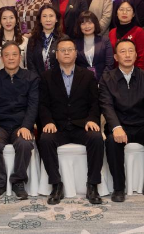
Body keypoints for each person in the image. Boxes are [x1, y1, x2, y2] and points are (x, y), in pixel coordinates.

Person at [100, 39, 144, 202]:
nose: (127, 55)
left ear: (136, 55)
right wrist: (116, 127)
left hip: (142, 125)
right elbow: (106, 105)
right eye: (122, 52)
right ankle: (118, 188)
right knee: (112, 142)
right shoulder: (107, 78)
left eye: (131, 51)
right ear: (116, 57)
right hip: (120, 126)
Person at [38, 37, 103, 205]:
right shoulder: (46, 77)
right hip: (57, 126)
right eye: (62, 50)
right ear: (56, 55)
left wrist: (92, 119)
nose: (66, 53)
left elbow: (94, 103)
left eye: (70, 50)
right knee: (45, 139)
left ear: (75, 53)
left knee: (96, 138)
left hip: (81, 125)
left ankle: (92, 185)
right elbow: (43, 104)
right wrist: (48, 121)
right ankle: (56, 185)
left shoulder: (88, 75)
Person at [0, 42, 39, 200]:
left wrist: (26, 126)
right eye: (7, 55)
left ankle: (18, 182)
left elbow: (33, 105)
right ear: (1, 58)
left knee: (24, 143)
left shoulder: (31, 78)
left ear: (20, 57)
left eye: (14, 54)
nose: (11, 58)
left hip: (21, 125)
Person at [0, 6, 28, 75]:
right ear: (0, 21)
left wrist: (19, 76)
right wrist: (1, 76)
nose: (8, 21)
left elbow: (28, 64)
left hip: (20, 79)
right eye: (4, 18)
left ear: (16, 20)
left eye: (11, 18)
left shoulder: (25, 41)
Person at [108, 0, 144, 71]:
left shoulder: (139, 32)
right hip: (115, 74)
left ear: (133, 14)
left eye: (128, 10)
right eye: (121, 9)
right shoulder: (112, 32)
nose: (124, 12)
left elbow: (143, 59)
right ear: (116, 13)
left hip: (135, 74)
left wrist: (138, 75)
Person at [26, 4, 67, 77]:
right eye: (44, 16)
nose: (48, 20)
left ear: (56, 19)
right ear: (40, 20)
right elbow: (30, 63)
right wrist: (37, 80)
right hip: (38, 81)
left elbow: (67, 62)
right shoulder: (33, 39)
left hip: (60, 80)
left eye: (51, 16)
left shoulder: (64, 39)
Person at [74, 11, 113, 81]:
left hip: (103, 80)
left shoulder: (105, 41)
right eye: (83, 23)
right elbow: (74, 65)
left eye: (90, 23)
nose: (87, 26)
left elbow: (109, 64)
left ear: (95, 24)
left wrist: (102, 81)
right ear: (79, 26)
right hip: (82, 81)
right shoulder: (75, 43)